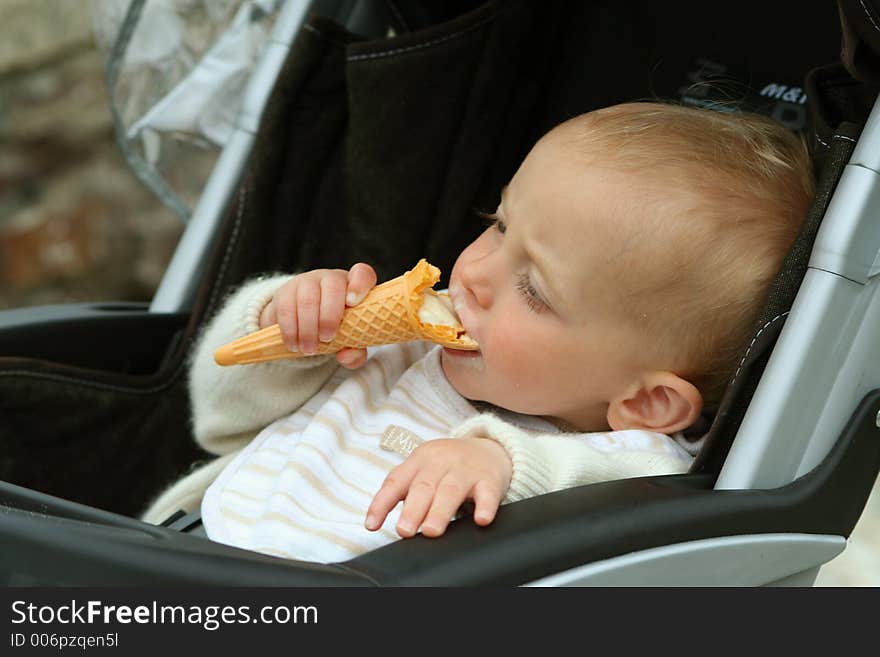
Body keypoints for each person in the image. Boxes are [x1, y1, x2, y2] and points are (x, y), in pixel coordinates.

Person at [141, 101, 814, 563]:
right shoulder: (390, 350)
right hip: (185, 559)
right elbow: (218, 417)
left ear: (645, 402)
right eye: (498, 223)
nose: (476, 273)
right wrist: (281, 321)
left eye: (533, 289)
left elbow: (615, 486)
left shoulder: (634, 465)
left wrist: (502, 460)